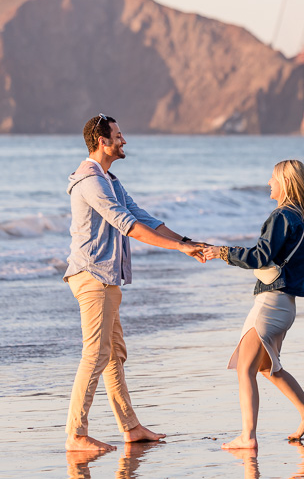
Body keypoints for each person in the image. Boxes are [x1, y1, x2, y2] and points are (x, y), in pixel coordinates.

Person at [63, 113, 205, 453]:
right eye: (119, 135)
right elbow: (127, 225)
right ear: (102, 141)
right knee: (95, 355)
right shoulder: (90, 181)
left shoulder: (109, 179)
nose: (124, 140)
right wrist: (178, 248)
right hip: (92, 276)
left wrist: (186, 240)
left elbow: (142, 216)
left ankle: (131, 427)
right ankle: (76, 435)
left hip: (106, 278)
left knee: (114, 355)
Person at [202, 159, 304, 449]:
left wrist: (221, 252)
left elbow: (259, 257)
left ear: (286, 182)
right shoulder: (301, 217)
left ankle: (248, 437)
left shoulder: (283, 215)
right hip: (285, 305)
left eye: (273, 178)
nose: (269, 183)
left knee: (246, 368)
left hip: (270, 303)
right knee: (267, 368)